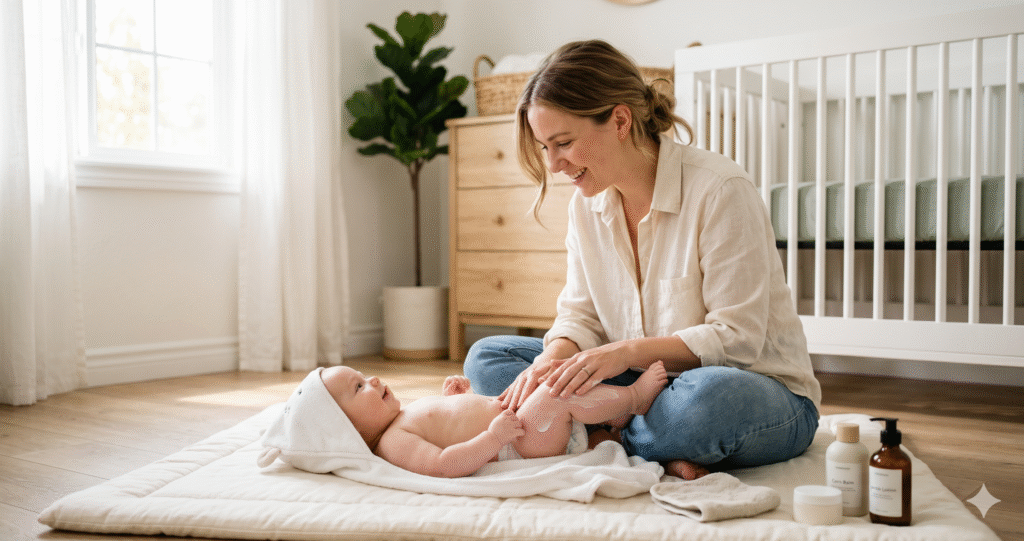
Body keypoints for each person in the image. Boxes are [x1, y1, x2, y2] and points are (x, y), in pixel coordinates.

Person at [463, 40, 822, 481]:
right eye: (544, 149)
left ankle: (596, 440)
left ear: (619, 120)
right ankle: (650, 444)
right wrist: (551, 362)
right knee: (489, 358)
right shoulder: (586, 205)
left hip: (747, 388)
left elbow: (738, 339)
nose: (555, 165)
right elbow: (581, 316)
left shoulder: (720, 188)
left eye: (563, 143)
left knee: (702, 405)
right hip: (633, 387)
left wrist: (624, 353)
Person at [320, 362, 668, 478]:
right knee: (553, 394)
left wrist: (456, 401)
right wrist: (493, 437)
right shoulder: (392, 443)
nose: (375, 381)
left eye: (365, 375)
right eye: (360, 387)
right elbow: (444, 464)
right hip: (518, 443)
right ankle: (635, 399)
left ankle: (617, 431)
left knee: (554, 381)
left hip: (516, 428)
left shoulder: (399, 418)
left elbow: (447, 432)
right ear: (349, 427)